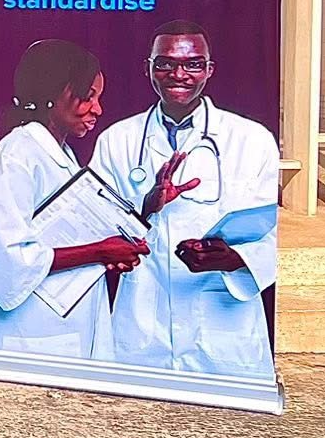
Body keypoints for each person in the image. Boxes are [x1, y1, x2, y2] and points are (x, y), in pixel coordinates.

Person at [89, 21, 280, 380]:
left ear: (209, 69)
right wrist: (144, 207)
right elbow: (95, 228)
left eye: (193, 64)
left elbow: (271, 235)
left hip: (222, 323)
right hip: (144, 323)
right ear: (148, 69)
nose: (179, 74)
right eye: (164, 64)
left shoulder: (252, 140)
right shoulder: (117, 140)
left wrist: (234, 258)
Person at [0, 40, 147, 361]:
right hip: (33, 331)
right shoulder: (17, 155)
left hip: (68, 321)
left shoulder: (62, 155)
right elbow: (8, 260)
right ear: (54, 93)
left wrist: (108, 254)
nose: (98, 109)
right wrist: (98, 251)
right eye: (88, 96)